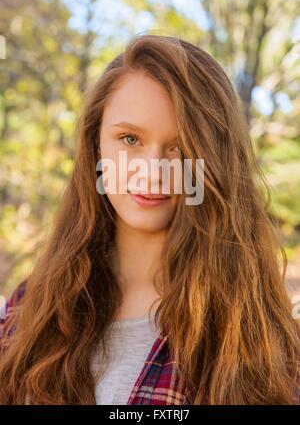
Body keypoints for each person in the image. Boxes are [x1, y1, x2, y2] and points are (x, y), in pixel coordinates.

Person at [0, 34, 299, 405]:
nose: (153, 172)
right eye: (129, 139)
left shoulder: (256, 334)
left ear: (215, 162)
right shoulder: (30, 307)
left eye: (180, 147)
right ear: (97, 144)